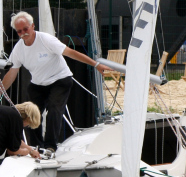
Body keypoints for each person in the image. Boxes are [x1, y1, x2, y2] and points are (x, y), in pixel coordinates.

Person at [0, 11, 110, 150]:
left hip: (60, 79)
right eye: (19, 31)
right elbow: (12, 73)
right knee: (31, 113)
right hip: (38, 83)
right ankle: (35, 147)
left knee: (54, 110)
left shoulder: (46, 40)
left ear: (32, 26)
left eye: (25, 29)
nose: (23, 33)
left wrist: (96, 65)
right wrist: (1, 92)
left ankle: (51, 146)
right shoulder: (18, 49)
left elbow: (71, 53)